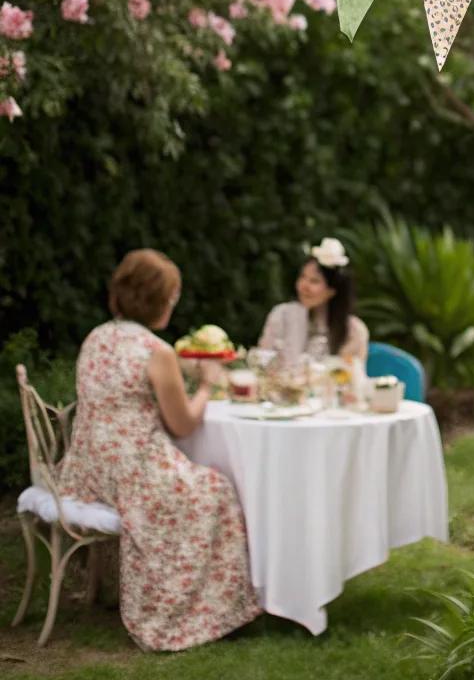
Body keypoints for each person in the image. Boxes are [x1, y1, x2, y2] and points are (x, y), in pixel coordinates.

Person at [58, 248, 261, 652]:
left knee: (199, 485)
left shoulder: (98, 336)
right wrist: (207, 383)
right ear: (160, 301)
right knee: (215, 490)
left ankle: (200, 600)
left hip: (87, 466)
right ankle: (200, 610)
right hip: (132, 470)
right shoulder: (157, 352)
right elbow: (183, 423)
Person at [258, 237, 369, 364]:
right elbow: (262, 361)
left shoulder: (353, 331)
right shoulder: (281, 315)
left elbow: (349, 377)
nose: (303, 286)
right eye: (303, 277)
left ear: (332, 291)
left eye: (314, 281)